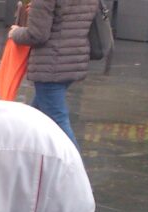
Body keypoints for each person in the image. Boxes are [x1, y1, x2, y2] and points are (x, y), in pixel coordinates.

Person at [9, 0, 97, 147]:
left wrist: (16, 32)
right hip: (73, 59)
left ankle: (75, 167)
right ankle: (24, 155)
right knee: (35, 117)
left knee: (58, 122)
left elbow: (37, 35)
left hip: (51, 65)